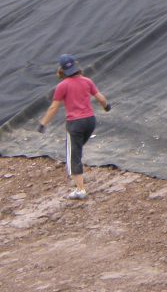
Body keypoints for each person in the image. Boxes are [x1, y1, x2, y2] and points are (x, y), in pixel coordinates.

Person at [37, 54, 111, 200]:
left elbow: (54, 108)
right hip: (90, 121)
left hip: (75, 123)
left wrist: (43, 123)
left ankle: (80, 189)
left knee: (73, 156)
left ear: (62, 70)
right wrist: (107, 107)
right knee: (77, 149)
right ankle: (80, 176)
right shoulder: (87, 81)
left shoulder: (62, 86)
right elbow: (100, 98)